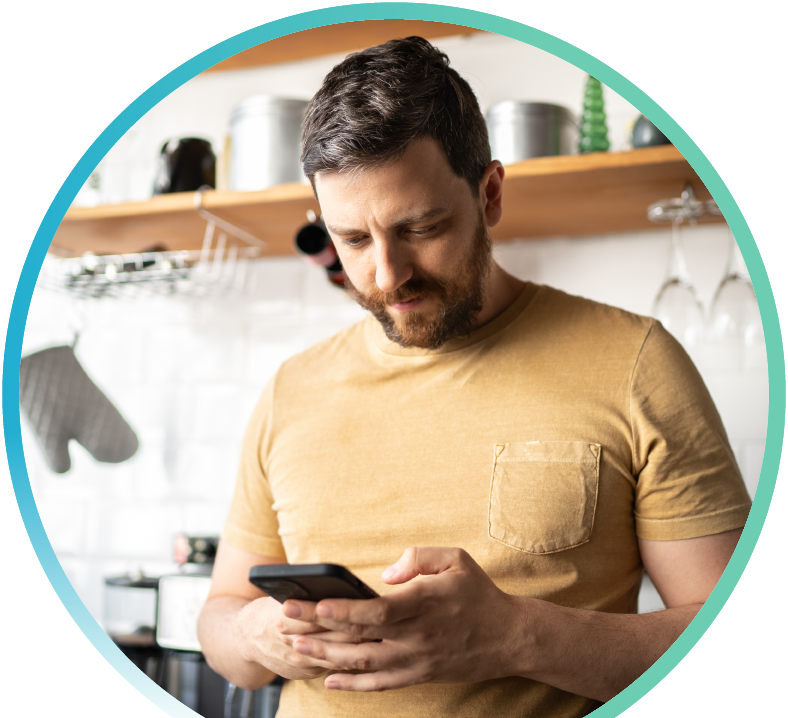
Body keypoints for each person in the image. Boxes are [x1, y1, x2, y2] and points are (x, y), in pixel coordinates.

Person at [197, 36, 751, 717]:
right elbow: (221, 618)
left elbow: (738, 643)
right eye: (354, 240)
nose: (386, 275)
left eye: (422, 226)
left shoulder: (637, 362)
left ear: (489, 194)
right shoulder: (292, 388)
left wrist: (517, 637)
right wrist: (256, 636)